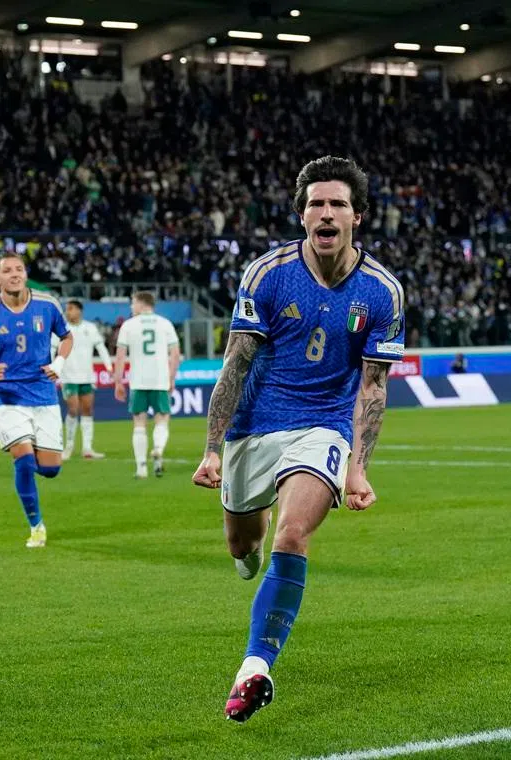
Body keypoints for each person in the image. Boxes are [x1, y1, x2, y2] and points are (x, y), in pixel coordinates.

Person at [191, 156, 404, 723]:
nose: (326, 213)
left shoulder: (382, 291)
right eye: (316, 204)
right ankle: (249, 548)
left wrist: (358, 467)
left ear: (357, 216)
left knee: (293, 533)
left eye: (337, 204)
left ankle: (254, 668)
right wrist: (212, 448)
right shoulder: (267, 274)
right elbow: (235, 364)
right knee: (243, 547)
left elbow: (373, 386)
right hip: (253, 425)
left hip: (323, 425)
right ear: (302, 214)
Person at [0, 254, 73, 548]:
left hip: (44, 393)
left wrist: (59, 363)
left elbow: (67, 337)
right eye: (7, 271)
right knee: (24, 461)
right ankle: (36, 526)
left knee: (50, 469)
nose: (14, 274)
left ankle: (24, 464)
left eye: (19, 269)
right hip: (8, 396)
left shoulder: (47, 304)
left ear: (25, 274)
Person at [112, 292, 181, 479]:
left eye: (133, 303)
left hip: (138, 381)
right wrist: (171, 378)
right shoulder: (165, 323)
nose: (131, 307)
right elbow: (175, 354)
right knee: (162, 419)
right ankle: (158, 449)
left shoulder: (128, 325)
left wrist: (118, 381)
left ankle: (141, 468)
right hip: (160, 380)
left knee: (139, 422)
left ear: (142, 304)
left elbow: (120, 356)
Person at [56, 300, 114, 461]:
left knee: (87, 410)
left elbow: (101, 347)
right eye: (67, 309)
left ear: (79, 311)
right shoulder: (61, 328)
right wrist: (51, 366)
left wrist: (109, 366)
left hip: (87, 377)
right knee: (73, 409)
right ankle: (68, 447)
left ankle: (87, 448)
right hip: (68, 376)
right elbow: (51, 348)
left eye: (70, 309)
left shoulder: (90, 327)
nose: (67, 312)